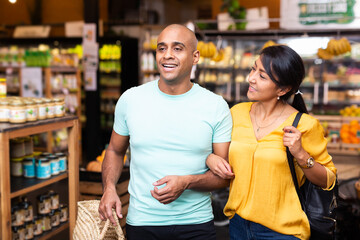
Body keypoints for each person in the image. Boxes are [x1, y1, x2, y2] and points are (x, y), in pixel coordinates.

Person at [98, 24, 232, 240]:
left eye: (177, 48)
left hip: (196, 224)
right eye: (161, 48)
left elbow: (223, 177)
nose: (167, 55)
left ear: (195, 56)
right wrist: (109, 188)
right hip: (142, 223)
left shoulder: (215, 106)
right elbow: (114, 150)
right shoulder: (131, 100)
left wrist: (187, 181)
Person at [206, 45, 337, 240]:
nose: (251, 78)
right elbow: (218, 154)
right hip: (238, 225)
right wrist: (211, 159)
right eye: (253, 69)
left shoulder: (305, 125)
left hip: (283, 232)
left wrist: (301, 154)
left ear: (283, 89)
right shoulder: (236, 113)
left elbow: (328, 180)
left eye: (262, 76)